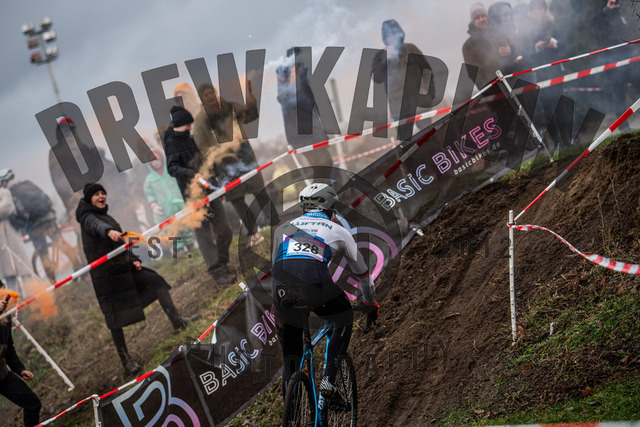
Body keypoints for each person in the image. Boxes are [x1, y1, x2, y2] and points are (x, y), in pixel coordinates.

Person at [76, 183, 199, 375]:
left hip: (125, 270)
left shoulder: (106, 216)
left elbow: (121, 244)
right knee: (115, 320)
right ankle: (126, 362)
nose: (101, 196)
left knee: (155, 281)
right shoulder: (87, 217)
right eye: (96, 194)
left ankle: (177, 321)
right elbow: (97, 226)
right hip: (107, 279)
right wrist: (108, 231)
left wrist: (133, 259)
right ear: (89, 199)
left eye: (103, 193)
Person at [271, 183, 379, 400]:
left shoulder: (282, 229)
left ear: (303, 207)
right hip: (314, 285)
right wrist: (369, 303)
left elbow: (278, 265)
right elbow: (364, 277)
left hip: (281, 290)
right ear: (331, 209)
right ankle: (329, 380)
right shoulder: (339, 230)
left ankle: (291, 409)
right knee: (343, 316)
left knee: (291, 357)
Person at [193, 83, 280, 246]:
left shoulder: (230, 107)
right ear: (201, 99)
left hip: (245, 157)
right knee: (237, 200)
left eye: (211, 93)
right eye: (206, 95)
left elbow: (250, 116)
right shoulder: (200, 121)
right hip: (224, 165)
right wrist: (213, 168)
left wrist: (251, 103)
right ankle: (253, 233)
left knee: (259, 192)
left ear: (215, 93)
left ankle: (276, 223)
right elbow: (203, 147)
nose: (210, 97)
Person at [164, 105, 236, 284]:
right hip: (193, 196)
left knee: (225, 229)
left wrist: (215, 184)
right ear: (179, 124)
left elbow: (204, 163)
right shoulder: (172, 143)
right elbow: (172, 168)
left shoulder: (191, 139)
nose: (190, 127)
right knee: (204, 235)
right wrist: (191, 175)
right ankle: (217, 272)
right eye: (187, 124)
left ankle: (223, 262)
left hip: (209, 190)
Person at [5, 170, 83, 284]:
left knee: (43, 254)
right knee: (61, 243)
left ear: (4, 182)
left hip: (34, 226)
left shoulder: (11, 193)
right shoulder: (27, 183)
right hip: (48, 218)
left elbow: (19, 211)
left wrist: (22, 224)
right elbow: (46, 198)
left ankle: (54, 284)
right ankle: (79, 269)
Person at [371, 20, 437, 130]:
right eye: (388, 35)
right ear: (385, 38)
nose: (391, 38)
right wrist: (385, 60)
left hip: (420, 104)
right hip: (399, 110)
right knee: (406, 140)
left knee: (429, 135)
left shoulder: (411, 49)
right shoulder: (380, 55)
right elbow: (377, 78)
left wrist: (428, 95)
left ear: (399, 33)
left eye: (394, 33)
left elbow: (427, 72)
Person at [276, 47, 334, 169]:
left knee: (327, 164)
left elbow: (315, 101)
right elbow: (283, 98)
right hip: (302, 136)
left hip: (314, 133)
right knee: (323, 167)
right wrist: (293, 77)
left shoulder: (304, 76)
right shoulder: (284, 77)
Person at [0, 280, 42, 426]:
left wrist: (20, 369)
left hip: (2, 375)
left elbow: (8, 348)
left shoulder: (6, 317)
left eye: (3, 292)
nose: (4, 299)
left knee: (32, 403)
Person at [143, 148, 195, 256]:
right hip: (165, 210)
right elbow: (150, 194)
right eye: (152, 161)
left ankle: (191, 246)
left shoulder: (171, 172)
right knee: (172, 230)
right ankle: (179, 250)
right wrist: (154, 205)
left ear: (162, 159)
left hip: (179, 204)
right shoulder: (149, 180)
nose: (155, 163)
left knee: (185, 225)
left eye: (157, 159)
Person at [0, 169, 32, 294]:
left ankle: (32, 293)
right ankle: (16, 299)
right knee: (10, 275)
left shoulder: (5, 192)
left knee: (23, 267)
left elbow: (6, 208)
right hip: (3, 242)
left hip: (11, 237)